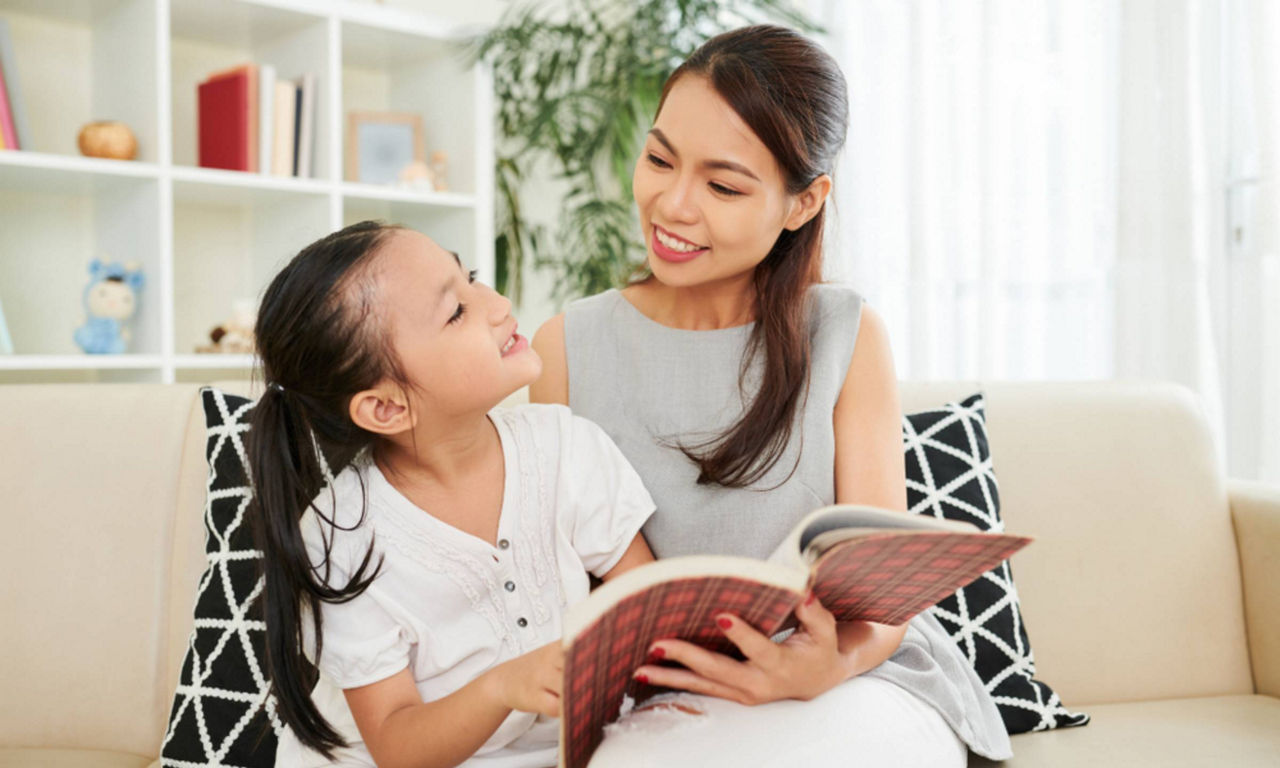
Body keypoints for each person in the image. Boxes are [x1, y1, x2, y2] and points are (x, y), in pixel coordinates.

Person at [530, 25, 1014, 767]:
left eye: (723, 185)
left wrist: (827, 665)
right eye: (659, 158)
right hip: (665, 698)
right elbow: (557, 586)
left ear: (803, 203)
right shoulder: (567, 345)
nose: (673, 205)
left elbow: (882, 602)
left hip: (853, 677)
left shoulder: (846, 334)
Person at [247, 221, 656, 768]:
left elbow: (646, 596)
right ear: (387, 407)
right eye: (456, 311)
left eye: (472, 278)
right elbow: (397, 744)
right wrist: (501, 687)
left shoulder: (564, 445)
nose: (497, 303)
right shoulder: (340, 537)